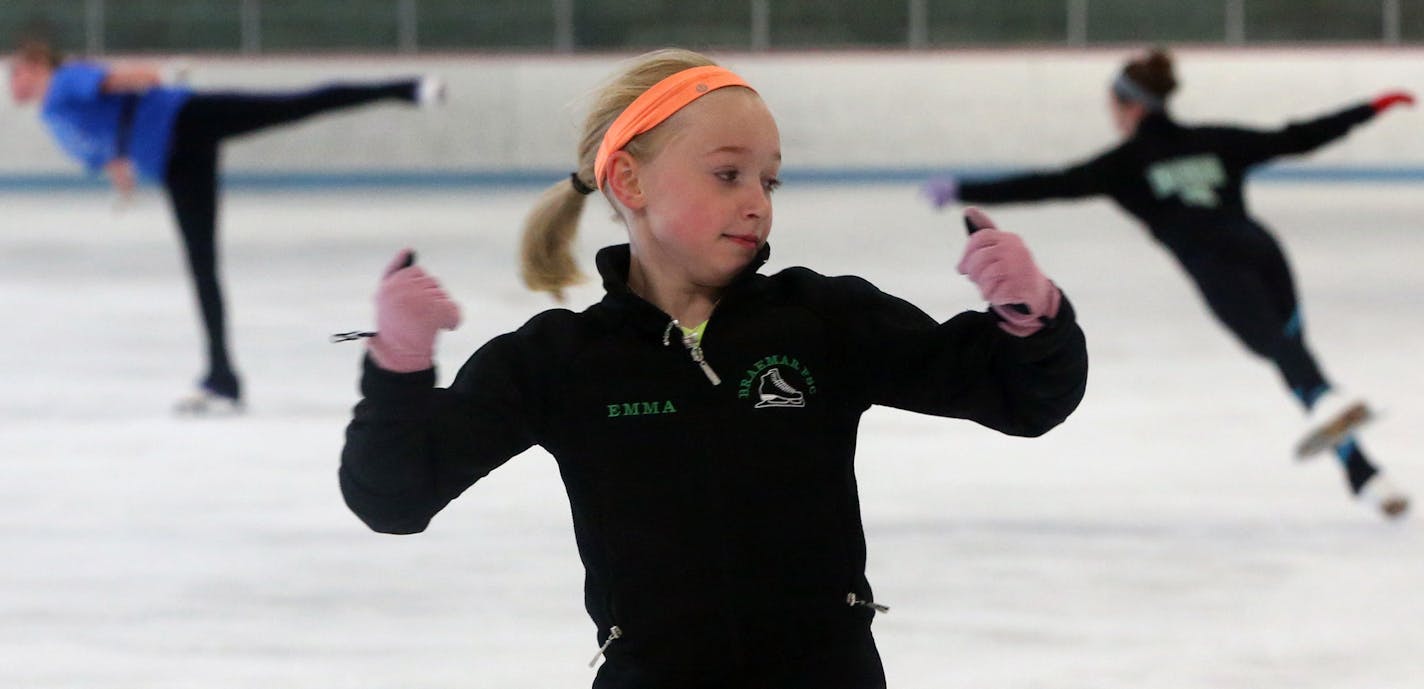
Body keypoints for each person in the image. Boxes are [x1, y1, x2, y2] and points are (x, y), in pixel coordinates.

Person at [339, 49, 1088, 688]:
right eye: (728, 174)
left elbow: (1023, 398)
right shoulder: (560, 361)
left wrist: (1032, 317)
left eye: (770, 180)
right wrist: (398, 366)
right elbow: (395, 495)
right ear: (630, 184)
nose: (757, 201)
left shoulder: (825, 321)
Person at [922, 49, 1413, 519]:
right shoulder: (1215, 139)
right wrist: (1370, 107)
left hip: (1216, 265)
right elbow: (1297, 137)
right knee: (1290, 353)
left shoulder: (1123, 165)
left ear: (1128, 105)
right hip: (1264, 253)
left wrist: (963, 190)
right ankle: (1364, 474)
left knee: (1283, 353)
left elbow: (1048, 184)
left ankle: (1335, 412)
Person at [7, 38, 444, 413]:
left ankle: (405, 89)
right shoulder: (54, 118)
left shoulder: (64, 82)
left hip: (186, 119)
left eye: (19, 71)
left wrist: (160, 74)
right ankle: (222, 377)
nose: (14, 81)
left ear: (40, 66)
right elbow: (108, 152)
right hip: (175, 163)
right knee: (202, 266)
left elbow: (125, 78)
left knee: (296, 105)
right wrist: (121, 177)